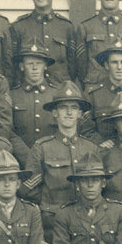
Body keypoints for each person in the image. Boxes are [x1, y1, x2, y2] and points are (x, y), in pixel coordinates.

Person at [32, 83, 100, 214]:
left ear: (79, 114)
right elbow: (31, 190)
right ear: (55, 113)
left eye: (74, 108)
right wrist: (49, 207)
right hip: (53, 217)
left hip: (84, 217)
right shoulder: (42, 147)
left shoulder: (91, 148)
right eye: (63, 107)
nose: (69, 112)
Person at [8, 0, 77, 87]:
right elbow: (13, 65)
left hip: (59, 91)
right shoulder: (19, 27)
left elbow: (73, 66)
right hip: (29, 90)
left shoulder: (66, 27)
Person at [6, 40, 62, 151]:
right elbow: (9, 131)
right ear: (22, 66)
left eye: (39, 63)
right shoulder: (12, 95)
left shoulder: (57, 94)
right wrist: (25, 155)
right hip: (20, 156)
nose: (35, 68)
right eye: (30, 63)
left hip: (53, 155)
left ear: (45, 66)